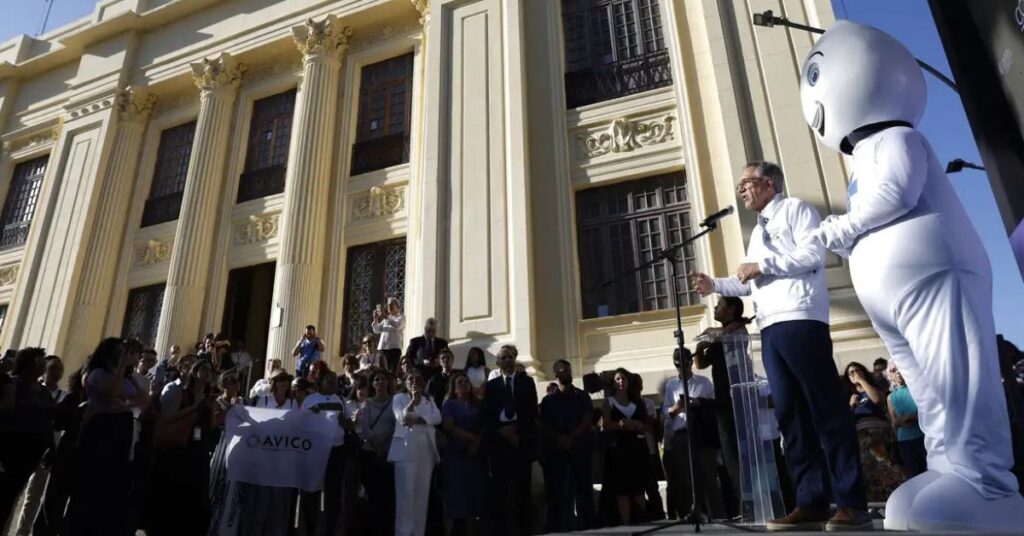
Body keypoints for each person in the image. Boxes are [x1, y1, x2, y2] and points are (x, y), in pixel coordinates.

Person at [691, 161, 869, 530]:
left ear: (768, 183)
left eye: (747, 183)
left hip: (800, 317)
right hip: (770, 325)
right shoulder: (758, 231)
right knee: (791, 416)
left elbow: (811, 256)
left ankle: (852, 502)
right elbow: (749, 281)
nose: (741, 190)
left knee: (825, 410)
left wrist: (763, 264)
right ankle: (811, 501)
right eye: (740, 185)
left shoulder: (796, 210)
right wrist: (716, 285)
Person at [66, 339, 146, 536]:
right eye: (120, 352)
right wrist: (121, 370)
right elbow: (111, 392)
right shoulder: (96, 374)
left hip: (122, 434)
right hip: (101, 433)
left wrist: (125, 401)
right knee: (92, 487)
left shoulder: (128, 377)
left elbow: (145, 398)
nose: (124, 355)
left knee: (113, 488)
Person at [693, 296, 750, 515]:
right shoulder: (717, 335)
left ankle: (747, 498)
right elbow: (701, 363)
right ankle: (739, 499)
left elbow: (733, 338)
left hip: (736, 392)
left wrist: (711, 334)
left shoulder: (738, 329)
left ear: (732, 309)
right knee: (728, 451)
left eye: (719, 306)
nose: (715, 309)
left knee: (737, 448)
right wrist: (701, 345)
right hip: (722, 397)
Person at [150, 359, 217, 536]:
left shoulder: (208, 397)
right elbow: (168, 418)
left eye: (210, 369)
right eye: (203, 368)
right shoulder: (182, 392)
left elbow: (211, 426)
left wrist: (210, 409)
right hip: (179, 451)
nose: (207, 372)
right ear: (195, 372)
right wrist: (195, 407)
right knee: (175, 500)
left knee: (196, 503)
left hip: (199, 452)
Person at [661, 350, 724, 522]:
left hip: (702, 432)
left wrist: (697, 403)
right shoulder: (671, 385)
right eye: (678, 363)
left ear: (690, 362)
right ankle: (692, 513)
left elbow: (714, 406)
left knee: (709, 476)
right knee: (687, 478)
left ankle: (717, 516)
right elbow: (665, 411)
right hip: (682, 433)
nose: (682, 366)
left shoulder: (704, 382)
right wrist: (675, 408)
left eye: (685, 362)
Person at [483, 345, 537, 536]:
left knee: (523, 490)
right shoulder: (491, 385)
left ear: (515, 359)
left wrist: (517, 431)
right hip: (500, 444)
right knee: (500, 492)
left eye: (510, 357)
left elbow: (532, 412)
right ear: (498, 362)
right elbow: (487, 415)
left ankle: (525, 530)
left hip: (520, 442)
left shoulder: (527, 382)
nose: (507, 360)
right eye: (503, 358)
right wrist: (502, 431)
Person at [0, 348, 55, 531]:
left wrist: (50, 447)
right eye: (38, 359)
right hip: (7, 453)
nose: (43, 363)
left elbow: (49, 421)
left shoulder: (45, 393)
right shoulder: (13, 384)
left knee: (8, 502)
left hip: (28, 458)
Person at [539, 359, 594, 532]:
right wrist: (560, 439)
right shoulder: (548, 401)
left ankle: (588, 526)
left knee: (583, 490)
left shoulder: (582, 396)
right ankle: (561, 527)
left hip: (579, 448)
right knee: (560, 493)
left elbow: (587, 420)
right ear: (556, 374)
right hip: (558, 452)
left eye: (569, 370)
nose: (567, 373)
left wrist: (571, 437)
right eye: (563, 370)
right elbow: (544, 425)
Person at [389, 366, 442, 536]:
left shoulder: (429, 399)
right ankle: (403, 532)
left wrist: (420, 419)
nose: (415, 381)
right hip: (405, 452)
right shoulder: (399, 398)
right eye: (411, 379)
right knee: (406, 495)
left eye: (418, 378)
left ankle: (418, 532)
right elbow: (403, 418)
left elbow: (437, 418)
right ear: (405, 383)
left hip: (426, 450)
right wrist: (412, 401)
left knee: (421, 496)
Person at [844, 361, 903, 502]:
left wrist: (862, 381)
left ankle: (896, 496)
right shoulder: (849, 396)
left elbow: (877, 399)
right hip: (861, 438)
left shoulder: (873, 388)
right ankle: (876, 501)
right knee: (868, 469)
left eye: (857, 370)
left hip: (879, 435)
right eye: (851, 373)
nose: (854, 374)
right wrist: (851, 406)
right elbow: (846, 421)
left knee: (885, 464)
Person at [301, 370, 348, 536]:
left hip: (336, 451)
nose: (333, 382)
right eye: (329, 379)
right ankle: (311, 527)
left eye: (335, 379)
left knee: (333, 492)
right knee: (312, 490)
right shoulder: (310, 400)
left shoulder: (341, 400)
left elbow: (349, 425)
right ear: (320, 382)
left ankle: (330, 529)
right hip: (315, 451)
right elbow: (302, 423)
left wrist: (347, 422)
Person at [441, 372, 486, 535]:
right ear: (453, 387)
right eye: (459, 382)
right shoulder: (450, 404)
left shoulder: (478, 404)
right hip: (456, 455)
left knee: (474, 495)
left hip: (475, 456)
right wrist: (471, 438)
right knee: (456, 496)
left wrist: (477, 440)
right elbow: (448, 426)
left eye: (465, 381)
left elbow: (484, 425)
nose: (463, 384)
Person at [356, 370, 396, 536]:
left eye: (383, 379)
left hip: (389, 453)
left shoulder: (395, 402)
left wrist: (384, 444)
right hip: (370, 453)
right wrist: (376, 444)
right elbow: (364, 428)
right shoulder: (367, 403)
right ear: (372, 384)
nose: (380, 382)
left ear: (388, 383)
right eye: (377, 380)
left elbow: (396, 426)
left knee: (387, 497)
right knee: (371, 495)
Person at [208, 371, 245, 536]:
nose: (236, 384)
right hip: (221, 447)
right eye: (232, 381)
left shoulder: (242, 402)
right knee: (217, 484)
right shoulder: (217, 402)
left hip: (237, 449)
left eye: (237, 381)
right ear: (224, 384)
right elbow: (215, 421)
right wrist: (232, 408)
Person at [888, 363, 927, 479]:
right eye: (893, 370)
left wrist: (914, 417)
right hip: (905, 441)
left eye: (899, 368)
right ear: (890, 375)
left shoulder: (917, 390)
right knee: (914, 476)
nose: (897, 373)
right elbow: (893, 422)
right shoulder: (891, 397)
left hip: (923, 436)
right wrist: (900, 421)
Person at [372, 297, 405, 372]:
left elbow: (397, 325)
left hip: (394, 349)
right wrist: (375, 319)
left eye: (391, 305)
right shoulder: (386, 319)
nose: (388, 307)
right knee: (380, 370)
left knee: (391, 371)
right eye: (388, 305)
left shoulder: (401, 317)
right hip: (382, 348)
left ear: (397, 306)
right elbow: (376, 330)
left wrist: (386, 317)